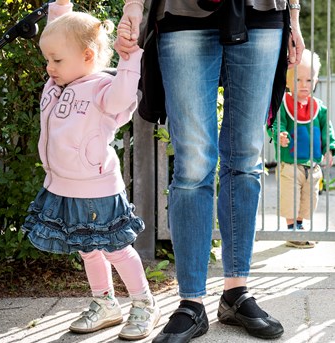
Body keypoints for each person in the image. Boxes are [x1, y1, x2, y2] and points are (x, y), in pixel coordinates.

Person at [117, 0, 305, 342]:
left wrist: (293, 15)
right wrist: (133, 4)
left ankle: (236, 292)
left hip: (263, 11)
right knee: (192, 164)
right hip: (183, 11)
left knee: (246, 160)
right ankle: (191, 302)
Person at [21, 1, 160, 340]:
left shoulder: (101, 90)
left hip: (98, 187)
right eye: (48, 60)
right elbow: (61, 32)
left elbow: (125, 95)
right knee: (87, 248)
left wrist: (130, 59)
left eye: (56, 60)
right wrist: (60, 7)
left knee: (115, 249)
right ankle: (105, 302)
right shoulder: (58, 85)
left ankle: (143, 303)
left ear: (86, 56)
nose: (50, 68)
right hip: (64, 185)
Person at [270, 49, 335, 249]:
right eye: (298, 80)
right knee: (291, 196)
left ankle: (300, 226)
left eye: (309, 80)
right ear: (288, 81)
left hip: (312, 164)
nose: (304, 85)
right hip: (291, 163)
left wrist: (330, 148)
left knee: (309, 198)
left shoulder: (319, 107)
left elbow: (327, 130)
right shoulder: (284, 104)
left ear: (315, 81)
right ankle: (292, 229)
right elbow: (277, 123)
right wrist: (279, 135)